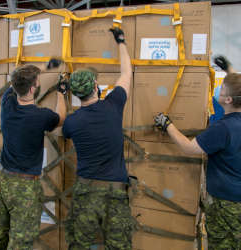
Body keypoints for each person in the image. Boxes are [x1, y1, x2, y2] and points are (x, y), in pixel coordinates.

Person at [154, 56, 241, 250]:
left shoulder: (223, 129)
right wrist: (230, 71)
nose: (220, 87)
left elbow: (189, 147)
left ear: (227, 99)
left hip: (226, 204)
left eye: (224, 88)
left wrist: (167, 125)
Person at [62, 27, 134, 250]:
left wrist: (60, 93)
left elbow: (62, 126)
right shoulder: (114, 105)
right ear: (96, 87)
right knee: (119, 245)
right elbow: (126, 74)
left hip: (86, 190)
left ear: (75, 94)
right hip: (115, 190)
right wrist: (120, 41)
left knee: (80, 243)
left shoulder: (72, 123)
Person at [0, 59, 67, 249]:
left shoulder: (7, 104)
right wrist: (61, 94)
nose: (38, 85)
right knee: (20, 242)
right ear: (32, 90)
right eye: (37, 83)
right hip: (25, 188)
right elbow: (61, 117)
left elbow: (15, 83)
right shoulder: (40, 116)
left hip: (3, 181)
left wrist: (45, 68)